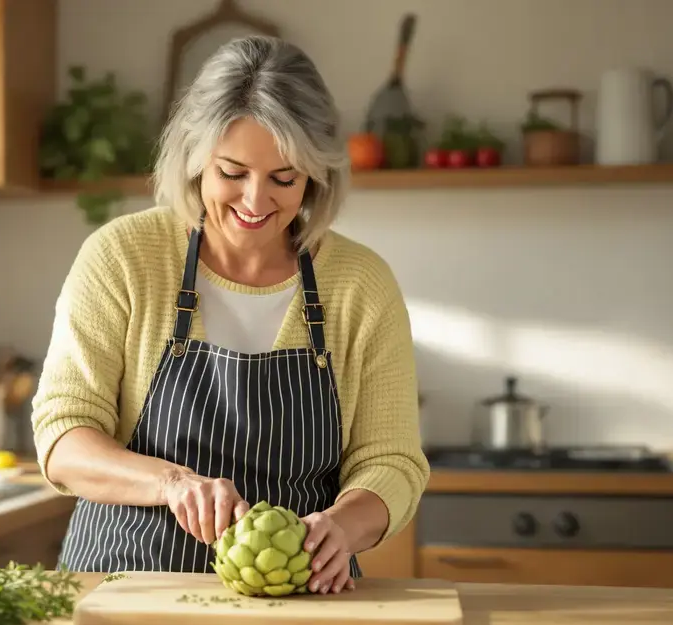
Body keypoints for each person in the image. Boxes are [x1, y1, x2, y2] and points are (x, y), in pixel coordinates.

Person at [31, 35, 429, 595]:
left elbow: (393, 462)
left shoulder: (360, 283)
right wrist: (171, 483)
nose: (254, 200)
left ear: (317, 174)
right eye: (233, 172)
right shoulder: (122, 256)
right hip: (125, 584)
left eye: (284, 178)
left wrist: (344, 526)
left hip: (301, 598)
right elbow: (63, 436)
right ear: (195, 159)